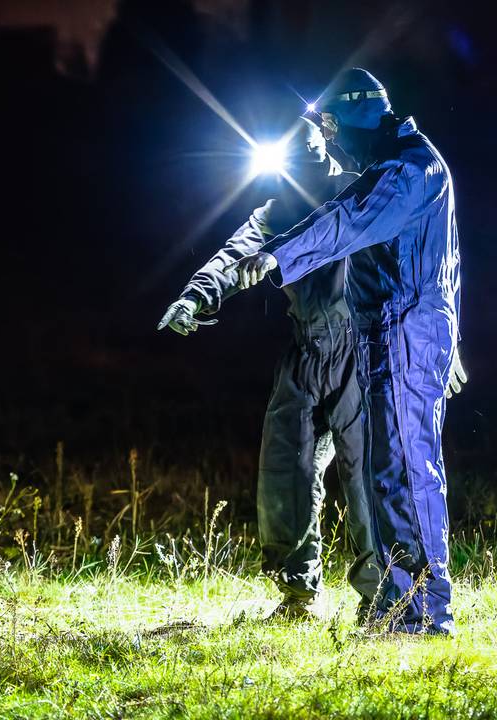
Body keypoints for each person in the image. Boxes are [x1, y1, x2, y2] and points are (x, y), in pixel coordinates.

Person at [234, 68, 465, 634]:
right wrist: (451, 338)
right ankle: (397, 603)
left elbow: (345, 219)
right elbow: (445, 263)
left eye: (334, 125)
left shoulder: (407, 170)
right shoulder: (397, 165)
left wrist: (277, 256)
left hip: (403, 333)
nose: (331, 139)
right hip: (394, 333)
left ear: (358, 118)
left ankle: (420, 613)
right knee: (390, 470)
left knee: (404, 472)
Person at [159, 117, 380, 619]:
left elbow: (411, 263)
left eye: (306, 145)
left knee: (366, 471)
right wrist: (194, 298)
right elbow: (235, 254)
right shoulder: (278, 207)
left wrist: (435, 339)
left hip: (358, 349)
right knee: (287, 468)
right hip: (305, 349)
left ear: (325, 138)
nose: (300, 158)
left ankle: (384, 595)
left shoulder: (358, 190)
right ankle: (298, 594)